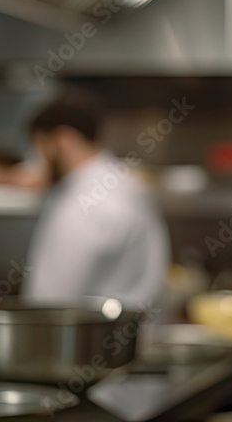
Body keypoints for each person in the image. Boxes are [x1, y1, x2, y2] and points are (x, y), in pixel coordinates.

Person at [21, 92, 170, 309]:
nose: (38, 164)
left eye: (39, 148)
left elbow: (49, 304)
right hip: (135, 333)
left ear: (61, 140)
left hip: (90, 340)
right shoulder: (128, 185)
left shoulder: (81, 204)